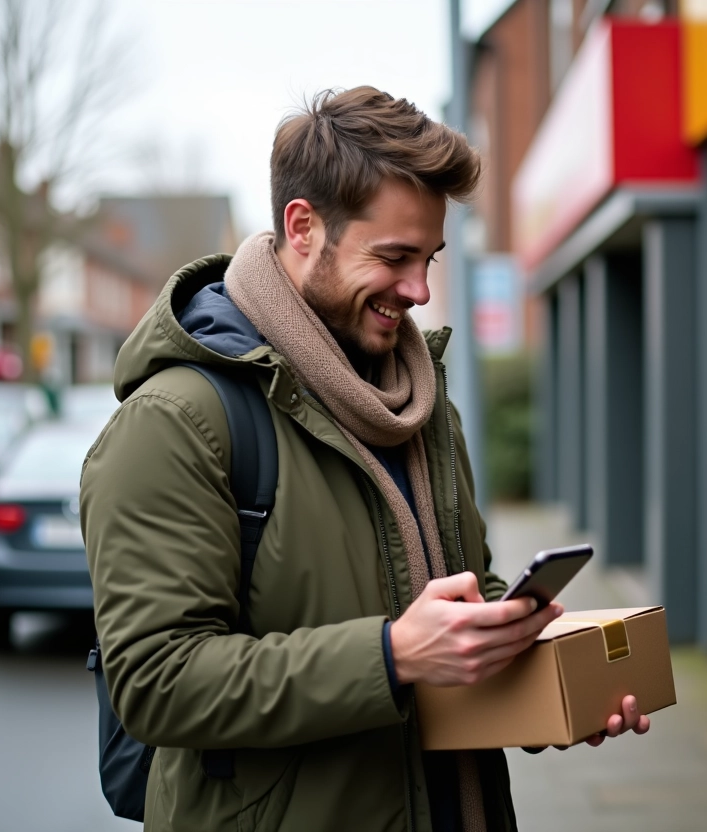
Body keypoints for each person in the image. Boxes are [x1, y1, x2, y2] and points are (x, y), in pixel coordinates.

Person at [81, 86, 650, 832]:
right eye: (394, 258)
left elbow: (456, 605)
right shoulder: (177, 420)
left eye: (430, 258)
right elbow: (157, 681)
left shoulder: (420, 406)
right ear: (303, 226)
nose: (418, 290)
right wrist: (389, 656)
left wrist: (545, 679)